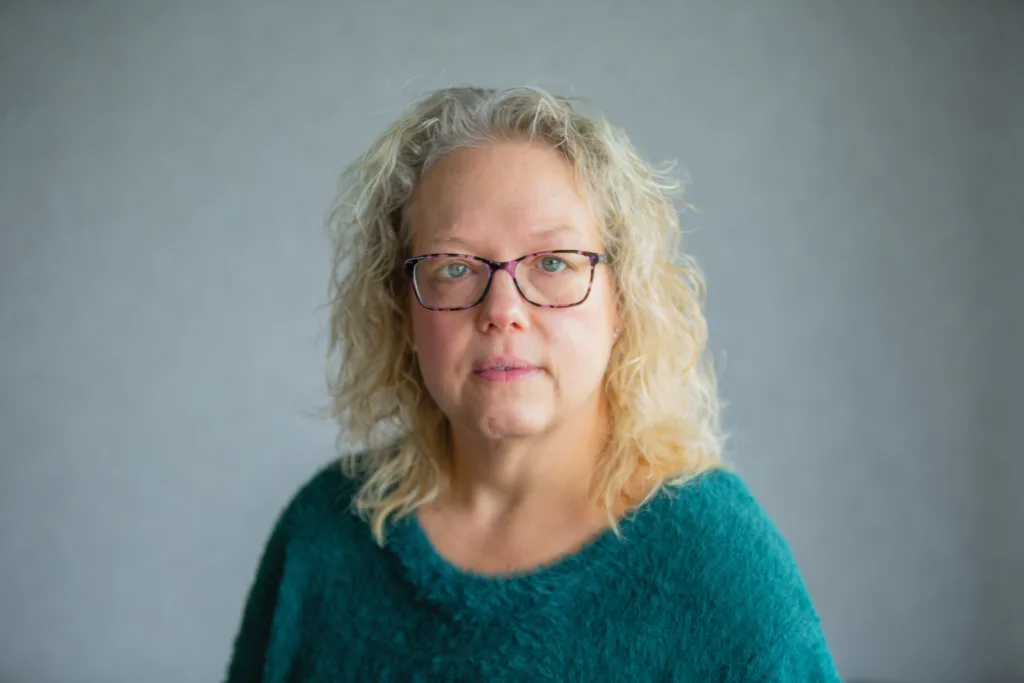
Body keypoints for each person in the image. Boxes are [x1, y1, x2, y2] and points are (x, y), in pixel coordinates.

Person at [224, 85, 841, 682]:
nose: (502, 310)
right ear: (402, 310)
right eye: (453, 267)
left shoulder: (718, 564)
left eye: (552, 263)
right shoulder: (324, 535)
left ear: (622, 301)